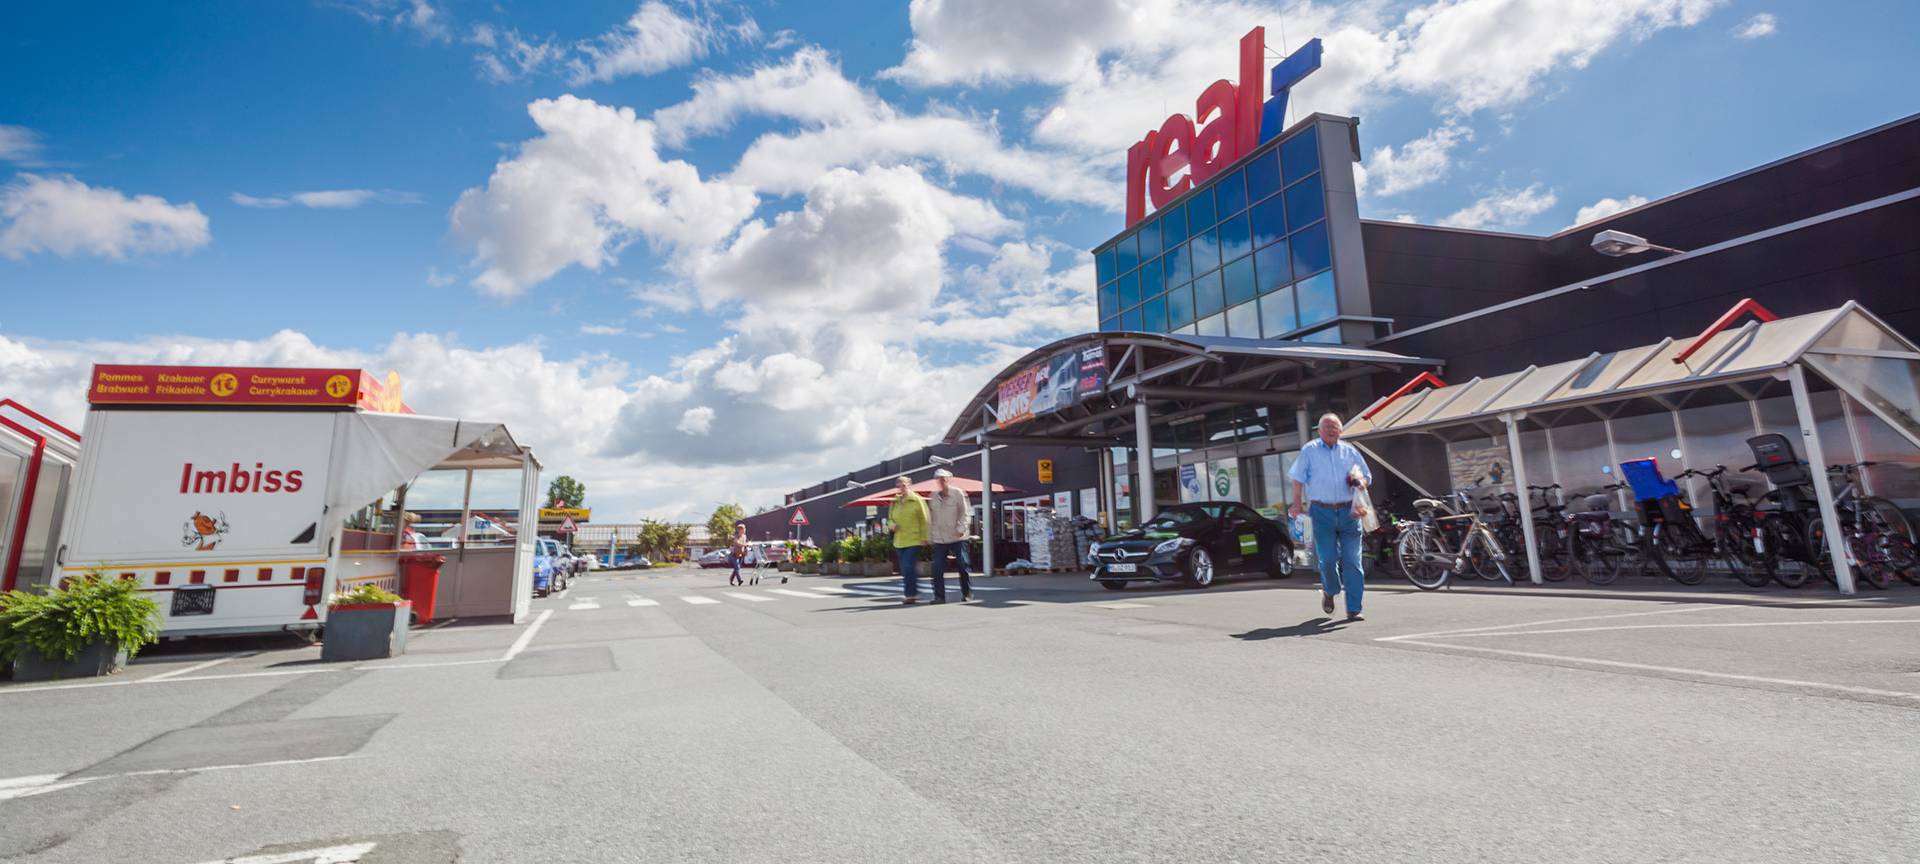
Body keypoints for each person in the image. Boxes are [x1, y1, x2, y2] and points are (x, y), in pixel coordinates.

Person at [1287, 413, 1373, 621]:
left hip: (1349, 512)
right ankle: (1330, 591)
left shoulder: (1350, 451)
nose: (1331, 430)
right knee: (1327, 560)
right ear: (1319, 431)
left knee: (1353, 561)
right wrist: (1297, 503)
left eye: (1335, 427)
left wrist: (1359, 481)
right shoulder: (1309, 450)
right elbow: (1297, 478)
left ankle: (1354, 608)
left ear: (1341, 430)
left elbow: (1367, 477)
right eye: (1327, 427)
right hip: (1320, 512)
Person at [926, 468, 974, 602]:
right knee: (937, 568)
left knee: (963, 565)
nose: (941, 481)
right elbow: (931, 518)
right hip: (940, 538)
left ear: (948, 480)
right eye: (938, 479)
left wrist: (961, 528)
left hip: (957, 536)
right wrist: (930, 536)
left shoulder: (958, 493)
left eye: (943, 479)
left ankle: (967, 593)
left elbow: (966, 513)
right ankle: (939, 597)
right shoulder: (933, 496)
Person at [888, 475, 932, 604]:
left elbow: (925, 519)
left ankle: (910, 594)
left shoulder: (917, 500)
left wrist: (925, 537)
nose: (901, 487)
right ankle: (913, 593)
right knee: (906, 569)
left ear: (909, 485)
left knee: (907, 566)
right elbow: (890, 518)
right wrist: (891, 525)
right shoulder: (894, 501)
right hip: (899, 540)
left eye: (904, 485)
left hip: (914, 539)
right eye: (899, 485)